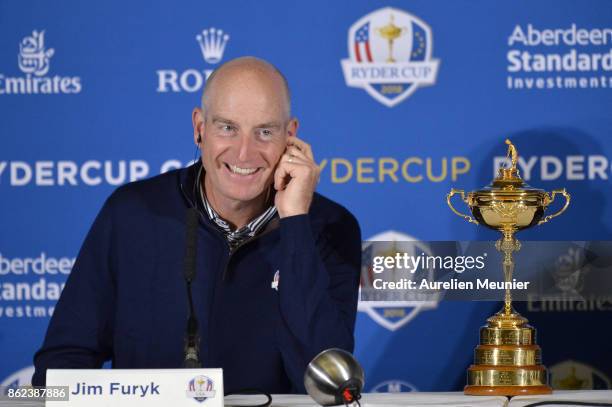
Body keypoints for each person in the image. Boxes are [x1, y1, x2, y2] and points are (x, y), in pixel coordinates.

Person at [32, 57, 362, 393]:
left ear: (290, 137)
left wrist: (295, 223)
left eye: (264, 132)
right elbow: (61, 366)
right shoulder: (132, 214)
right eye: (227, 128)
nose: (244, 153)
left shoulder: (330, 227)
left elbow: (328, 380)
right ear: (199, 128)